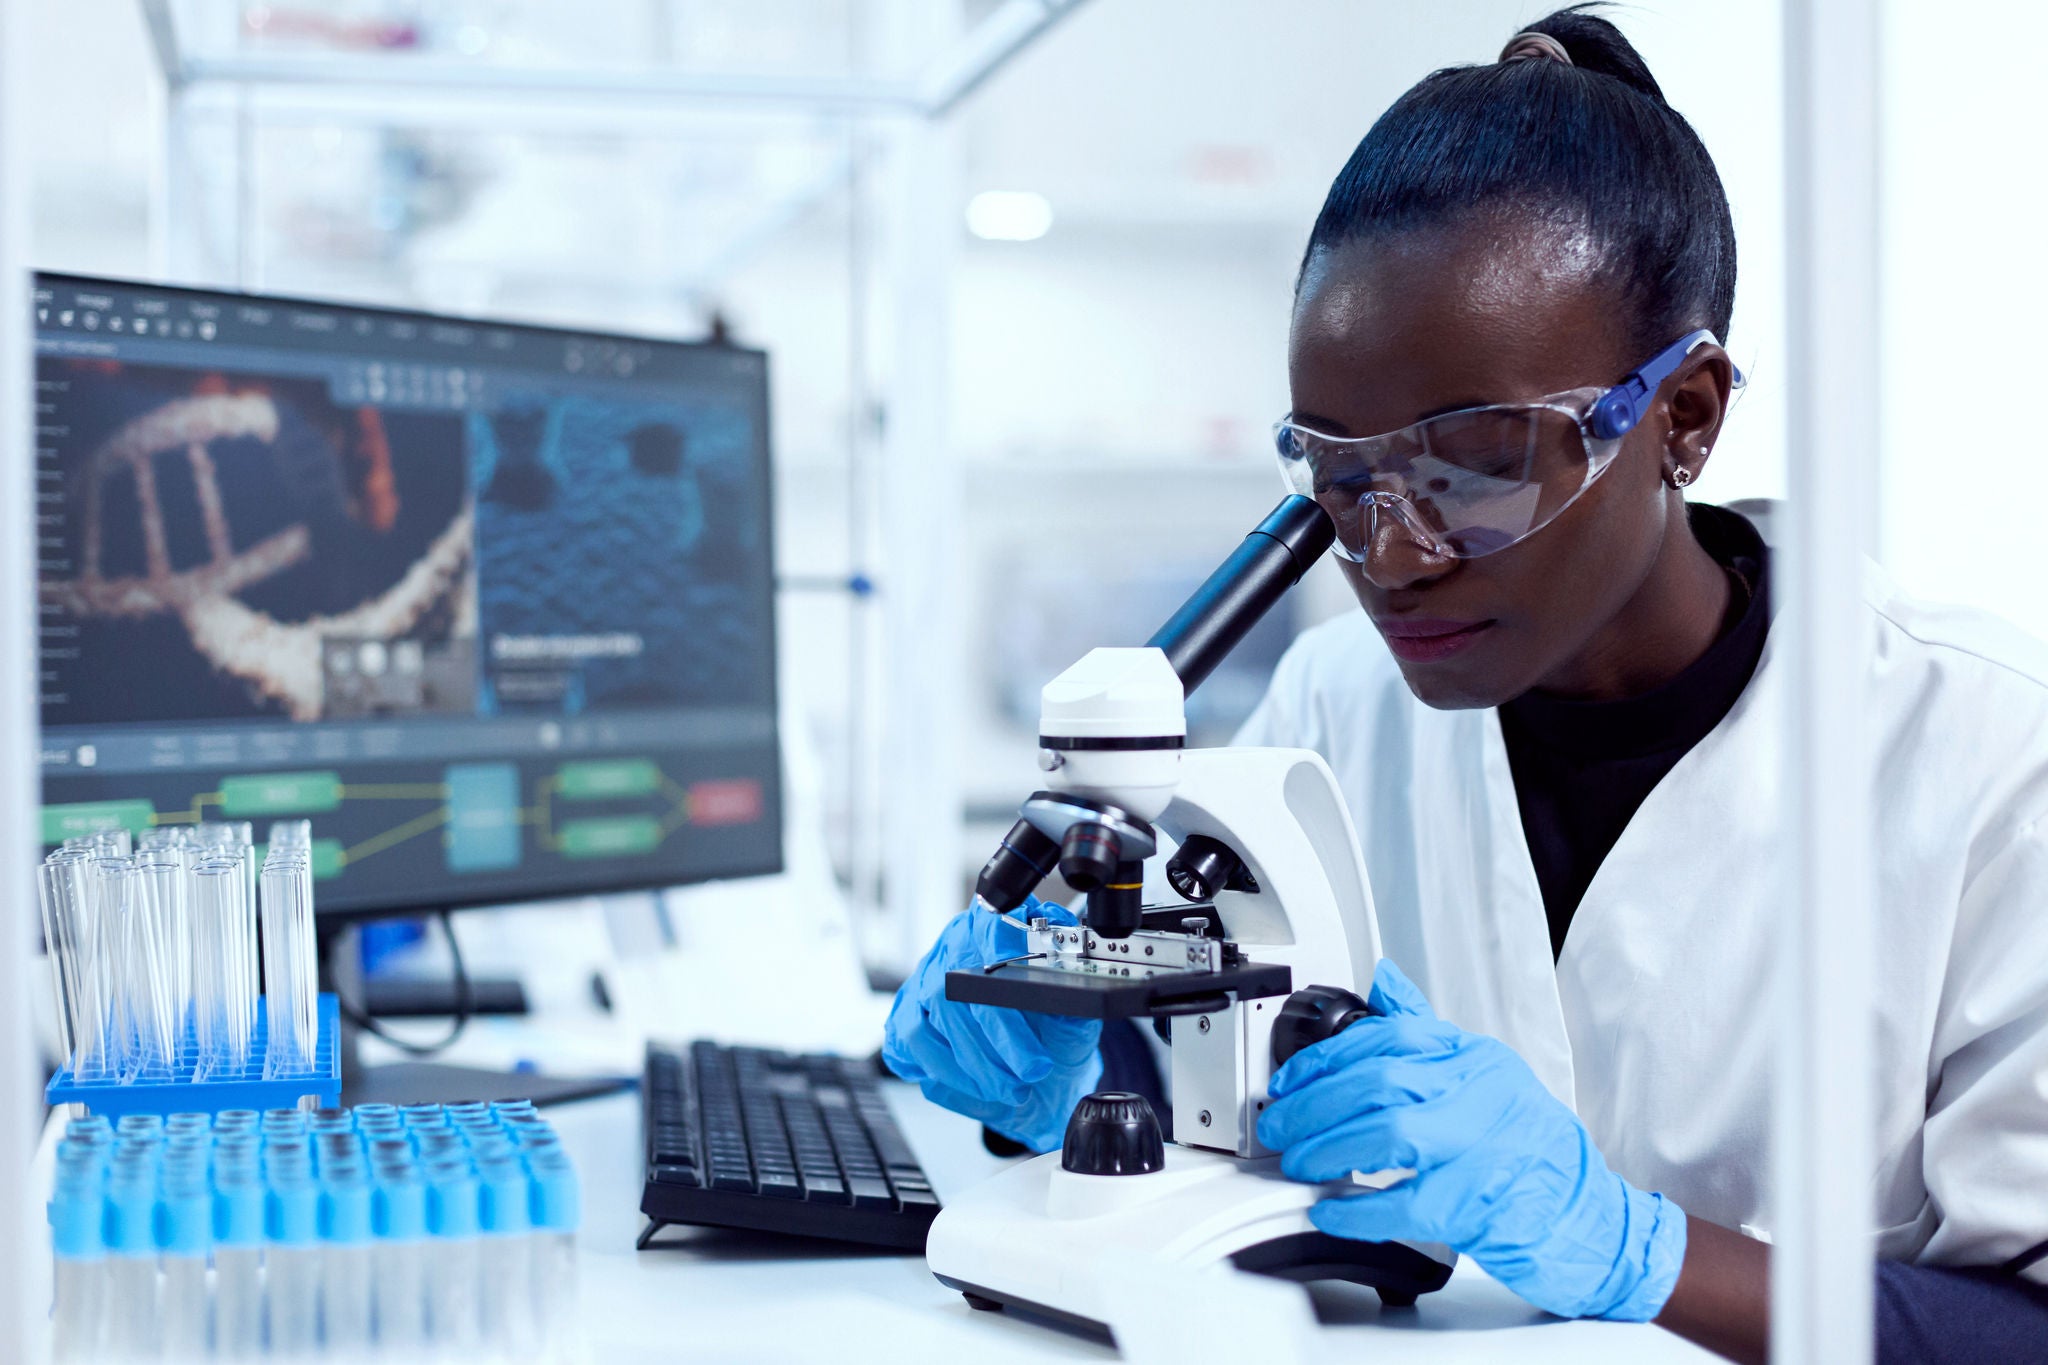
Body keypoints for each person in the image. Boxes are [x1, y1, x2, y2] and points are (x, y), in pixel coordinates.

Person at [884, 8, 2048, 1362]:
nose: (1391, 554)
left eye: (1476, 462)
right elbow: (1207, 1067)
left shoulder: (1988, 764)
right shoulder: (1332, 704)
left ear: (1685, 415)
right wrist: (1065, 1058)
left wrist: (1637, 1249)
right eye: (1341, 475)